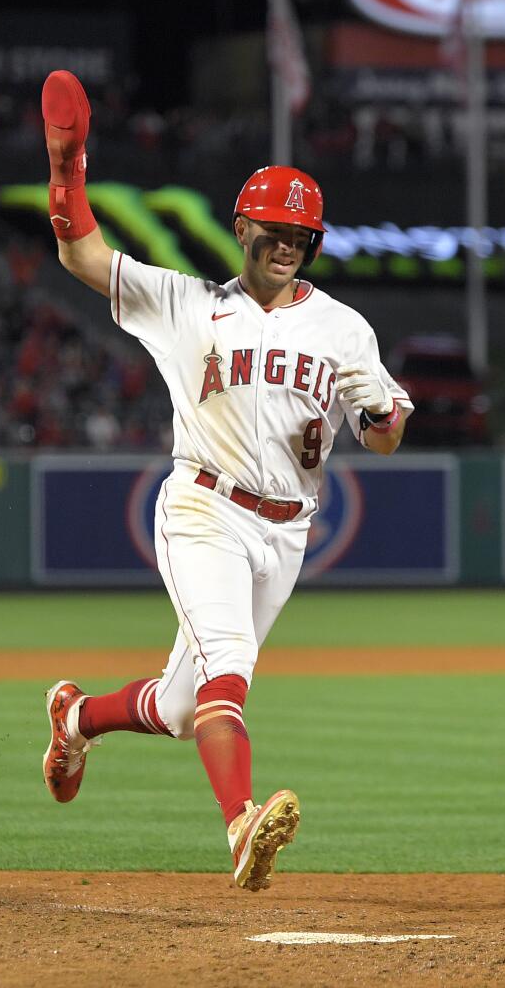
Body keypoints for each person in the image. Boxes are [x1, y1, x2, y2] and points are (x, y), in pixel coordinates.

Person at [36, 70, 413, 889]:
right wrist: (68, 169)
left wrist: (382, 422)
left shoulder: (344, 328)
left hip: (286, 533)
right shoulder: (189, 303)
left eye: (301, 234)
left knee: (180, 707)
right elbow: (81, 251)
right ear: (242, 226)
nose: (287, 244)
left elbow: (385, 432)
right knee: (229, 663)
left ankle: (75, 718)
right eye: (274, 229)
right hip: (204, 508)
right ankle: (241, 824)